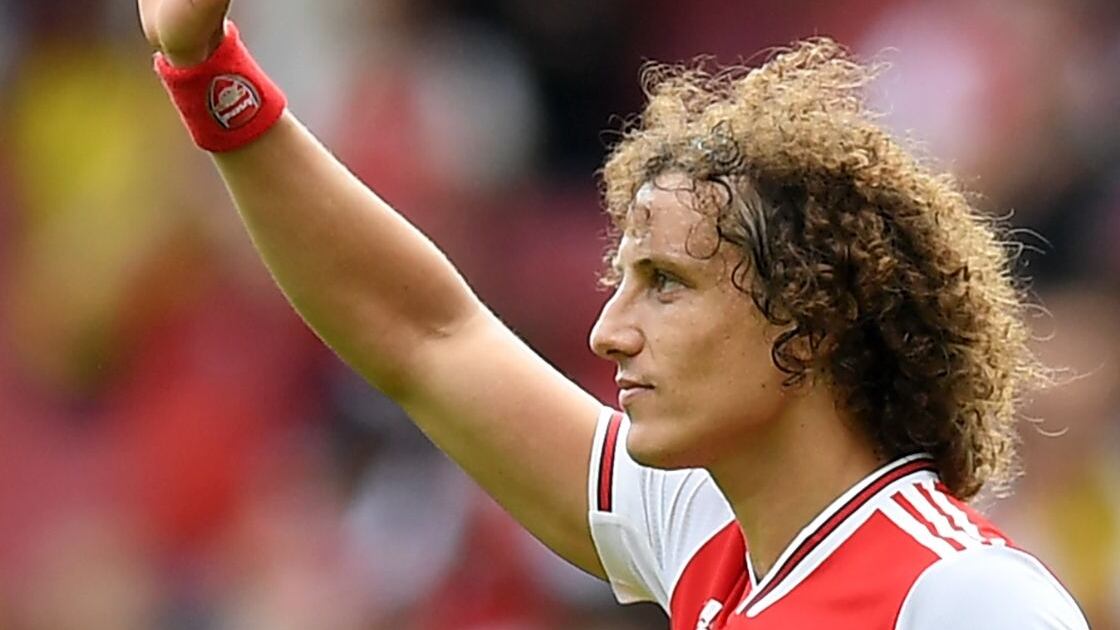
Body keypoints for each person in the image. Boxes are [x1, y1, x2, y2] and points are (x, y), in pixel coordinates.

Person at [137, 0, 1090, 627]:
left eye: (666, 284)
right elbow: (426, 337)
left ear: (812, 319)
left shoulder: (964, 595)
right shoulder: (706, 536)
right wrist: (211, 81)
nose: (608, 332)